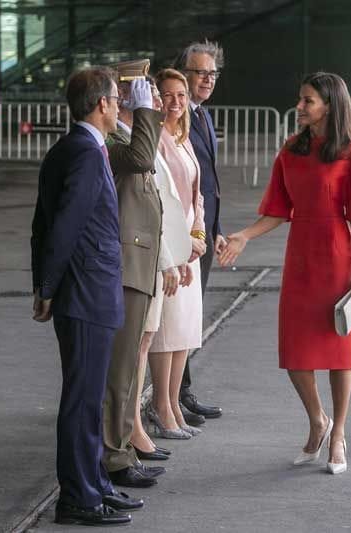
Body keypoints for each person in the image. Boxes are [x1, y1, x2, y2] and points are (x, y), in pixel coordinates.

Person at [219, 72, 351, 475]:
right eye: (300, 99)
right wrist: (243, 235)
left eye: (308, 101)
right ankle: (318, 420)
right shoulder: (289, 150)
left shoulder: (350, 151)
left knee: (339, 350)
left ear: (328, 105)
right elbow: (278, 210)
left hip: (337, 253)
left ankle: (339, 433)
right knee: (296, 352)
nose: (300, 106)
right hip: (300, 257)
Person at [30, 67, 138, 527]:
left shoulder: (71, 148)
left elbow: (41, 226)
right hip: (86, 294)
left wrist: (44, 283)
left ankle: (95, 483)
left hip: (83, 292)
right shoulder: (87, 155)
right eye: (116, 99)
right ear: (101, 105)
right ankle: (78, 497)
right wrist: (48, 288)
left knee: (90, 399)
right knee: (82, 400)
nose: (119, 106)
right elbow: (65, 228)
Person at [101, 61, 173, 489]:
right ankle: (114, 457)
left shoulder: (127, 136)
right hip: (126, 267)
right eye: (141, 88)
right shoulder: (111, 141)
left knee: (128, 370)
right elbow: (142, 160)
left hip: (140, 264)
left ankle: (123, 450)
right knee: (121, 370)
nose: (152, 94)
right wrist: (147, 113)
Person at [129, 76, 194, 460]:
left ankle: (138, 424)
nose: (160, 101)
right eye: (154, 94)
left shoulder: (149, 134)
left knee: (150, 340)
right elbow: (150, 205)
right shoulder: (139, 140)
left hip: (167, 251)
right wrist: (171, 258)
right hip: (148, 254)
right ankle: (135, 426)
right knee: (141, 346)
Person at [147, 68, 206, 440]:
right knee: (166, 331)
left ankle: (172, 404)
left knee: (184, 329)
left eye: (181, 95)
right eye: (168, 95)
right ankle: (161, 408)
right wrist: (183, 241)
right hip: (172, 243)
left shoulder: (185, 137)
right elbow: (161, 200)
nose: (176, 102)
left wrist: (198, 233)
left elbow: (197, 193)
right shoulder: (155, 137)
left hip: (191, 243)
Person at [173, 40, 227, 424]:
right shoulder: (176, 117)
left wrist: (217, 227)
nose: (207, 79)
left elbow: (208, 181)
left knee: (191, 316)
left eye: (212, 73)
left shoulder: (203, 116)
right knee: (178, 317)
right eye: (200, 72)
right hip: (183, 232)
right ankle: (174, 393)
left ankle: (182, 391)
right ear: (183, 73)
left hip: (203, 229)